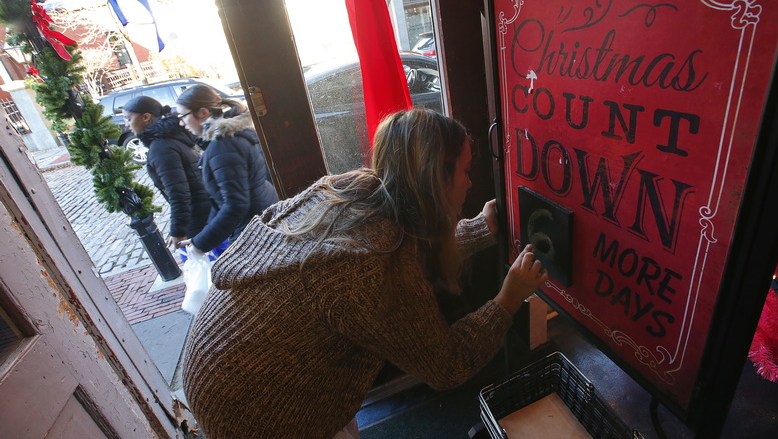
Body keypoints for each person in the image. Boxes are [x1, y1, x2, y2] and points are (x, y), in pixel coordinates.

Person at [181, 109, 549, 439]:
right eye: (465, 171)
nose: (470, 183)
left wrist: (478, 229)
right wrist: (509, 297)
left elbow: (404, 246)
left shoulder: (347, 190)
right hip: (261, 419)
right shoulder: (366, 267)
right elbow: (447, 365)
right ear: (436, 179)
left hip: (217, 379)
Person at [175, 84, 278, 255]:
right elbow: (221, 201)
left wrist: (200, 244)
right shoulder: (228, 138)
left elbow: (236, 204)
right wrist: (200, 237)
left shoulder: (224, 146)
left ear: (203, 113)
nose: (181, 122)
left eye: (183, 116)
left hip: (254, 227)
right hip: (260, 217)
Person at [121, 96, 210, 249]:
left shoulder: (161, 147)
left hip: (199, 219)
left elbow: (178, 193)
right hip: (206, 211)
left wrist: (178, 232)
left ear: (146, 117)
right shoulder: (171, 136)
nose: (126, 125)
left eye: (128, 119)